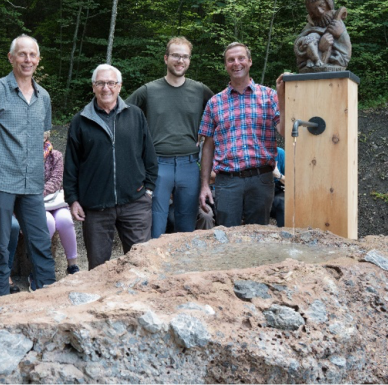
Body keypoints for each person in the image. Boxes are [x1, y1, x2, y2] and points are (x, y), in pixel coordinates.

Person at [0, 34, 55, 296]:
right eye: (22, 54)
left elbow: (43, 137)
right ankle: (1, 304)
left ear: (38, 59)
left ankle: (49, 296)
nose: (27, 59)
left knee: (40, 241)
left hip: (31, 183)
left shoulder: (44, 97)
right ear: (11, 57)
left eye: (32, 55)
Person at [63, 64, 158, 270]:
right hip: (96, 207)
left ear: (119, 86)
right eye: (100, 83)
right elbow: (71, 164)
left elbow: (149, 155)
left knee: (141, 265)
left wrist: (148, 189)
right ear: (93, 87)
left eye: (111, 83)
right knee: (98, 269)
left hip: (135, 203)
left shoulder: (135, 115)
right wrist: (72, 199)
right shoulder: (80, 121)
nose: (106, 88)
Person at [126, 37, 213, 238]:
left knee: (186, 228)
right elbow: (121, 113)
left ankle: (184, 269)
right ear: (166, 58)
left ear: (189, 60)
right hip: (157, 166)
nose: (180, 60)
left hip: (190, 166)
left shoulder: (200, 90)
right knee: (155, 226)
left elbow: (222, 114)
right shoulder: (149, 90)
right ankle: (154, 269)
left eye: (185, 56)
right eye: (175, 55)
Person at [198, 42, 286, 227]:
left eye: (241, 58)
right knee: (227, 236)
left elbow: (284, 131)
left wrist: (282, 97)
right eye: (231, 60)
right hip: (227, 182)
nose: (236, 63)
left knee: (259, 237)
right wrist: (205, 184)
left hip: (261, 179)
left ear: (250, 61)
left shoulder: (269, 96)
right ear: (226, 65)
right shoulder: (215, 102)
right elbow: (207, 146)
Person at [43, 131, 80, 275]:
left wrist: (39, 193)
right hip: (34, 204)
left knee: (65, 220)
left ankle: (72, 266)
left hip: (54, 201)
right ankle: (41, 266)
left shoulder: (55, 155)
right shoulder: (24, 154)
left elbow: (57, 180)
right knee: (48, 222)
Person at [294, 0, 351, 73]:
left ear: (327, 2)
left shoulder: (337, 22)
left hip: (334, 63)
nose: (320, 11)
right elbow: (298, 47)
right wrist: (317, 46)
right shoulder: (310, 25)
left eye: (321, 5)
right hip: (312, 65)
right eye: (315, 9)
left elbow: (346, 55)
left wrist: (340, 34)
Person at [270, 147, 285, 227]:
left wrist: (278, 175)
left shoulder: (280, 153)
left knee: (281, 202)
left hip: (278, 188)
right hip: (259, 189)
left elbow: (293, 182)